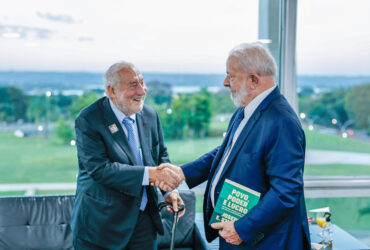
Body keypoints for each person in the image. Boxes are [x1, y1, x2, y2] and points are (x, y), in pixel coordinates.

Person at [159, 42, 311, 249]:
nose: (225, 82)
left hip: (262, 240)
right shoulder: (245, 109)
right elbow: (226, 153)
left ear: (253, 80)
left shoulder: (282, 122)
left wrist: (243, 228)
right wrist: (182, 173)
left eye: (231, 76)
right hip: (235, 231)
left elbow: (286, 190)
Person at [70, 61, 184, 249]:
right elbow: (100, 169)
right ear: (111, 90)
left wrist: (169, 191)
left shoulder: (150, 115)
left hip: (144, 224)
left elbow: (160, 154)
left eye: (142, 82)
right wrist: (152, 174)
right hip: (101, 225)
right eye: (133, 85)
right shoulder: (89, 119)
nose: (142, 90)